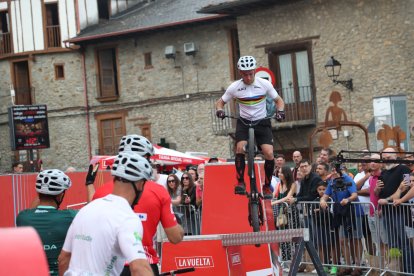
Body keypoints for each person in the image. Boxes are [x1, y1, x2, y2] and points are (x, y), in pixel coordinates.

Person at [90, 134, 184, 275]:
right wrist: (179, 226)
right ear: (145, 159)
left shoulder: (101, 192)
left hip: (109, 267)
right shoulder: (158, 191)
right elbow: (175, 237)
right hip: (143, 262)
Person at [58, 152, 154, 276]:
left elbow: (63, 259)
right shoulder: (127, 218)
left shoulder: (86, 210)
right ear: (140, 184)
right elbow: (139, 268)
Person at [215, 55, 285, 197]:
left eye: (251, 74)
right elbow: (220, 102)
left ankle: (266, 185)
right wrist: (220, 111)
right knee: (240, 148)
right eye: (245, 74)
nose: (248, 77)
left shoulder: (264, 84)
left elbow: (279, 101)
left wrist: (281, 112)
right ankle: (240, 182)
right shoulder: (235, 87)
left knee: (269, 153)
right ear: (241, 73)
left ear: (254, 71)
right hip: (244, 121)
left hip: (262, 121)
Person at [16, 169, 76, 276]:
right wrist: (89, 183)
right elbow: (90, 213)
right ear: (60, 195)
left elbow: (32, 210)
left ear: (38, 193)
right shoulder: (70, 216)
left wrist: (44, 188)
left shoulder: (22, 217)